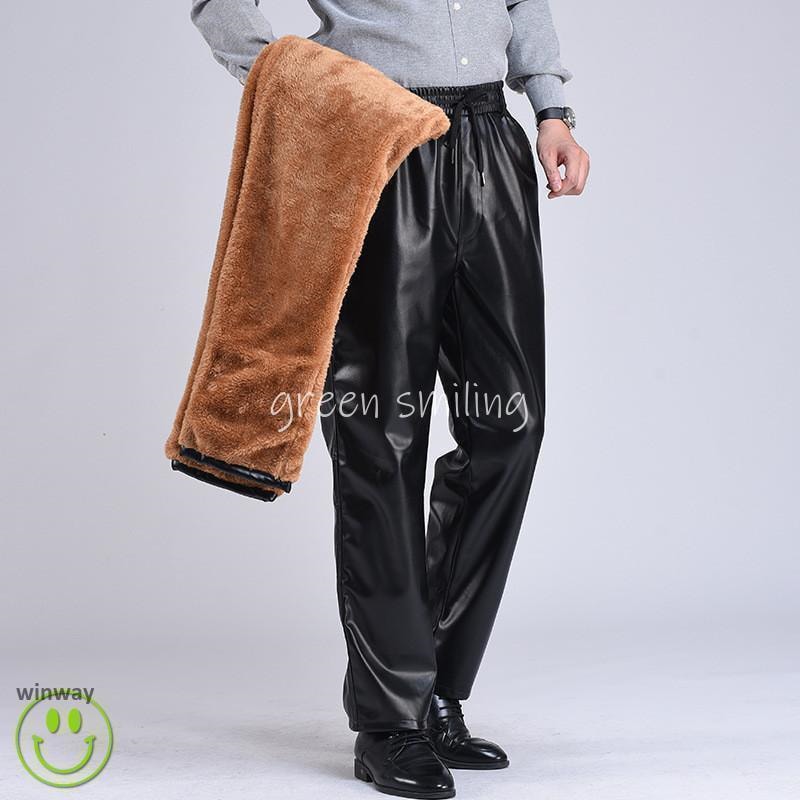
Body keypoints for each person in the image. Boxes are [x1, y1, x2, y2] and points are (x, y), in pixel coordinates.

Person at [190, 2, 590, 797]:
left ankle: (432, 685)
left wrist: (550, 106)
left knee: (511, 427)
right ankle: (388, 721)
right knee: (381, 434)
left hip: (490, 140)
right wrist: (300, 91)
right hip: (379, 140)